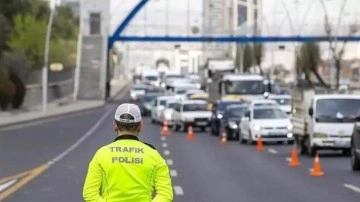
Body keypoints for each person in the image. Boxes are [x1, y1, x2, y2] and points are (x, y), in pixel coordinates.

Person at [83, 103, 174, 202]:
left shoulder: (101, 154)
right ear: (140, 126)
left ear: (115, 125)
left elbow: (89, 193)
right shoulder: (154, 155)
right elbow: (166, 194)